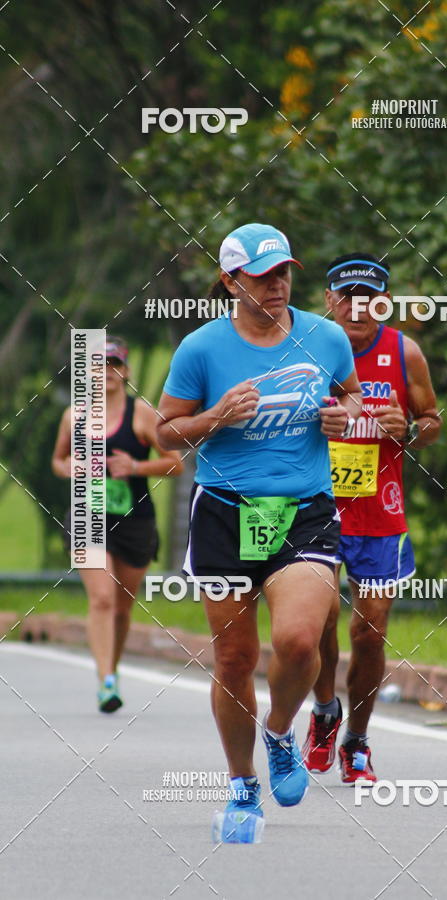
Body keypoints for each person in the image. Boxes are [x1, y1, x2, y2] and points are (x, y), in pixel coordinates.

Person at [156, 223, 362, 829]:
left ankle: (278, 734)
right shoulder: (200, 348)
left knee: (300, 641)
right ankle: (243, 785)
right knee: (234, 659)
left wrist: (342, 417)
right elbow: (165, 429)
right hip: (224, 513)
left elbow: (350, 397)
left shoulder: (325, 337)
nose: (276, 285)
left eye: (284, 273)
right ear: (230, 281)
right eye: (262, 276)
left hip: (303, 511)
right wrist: (216, 416)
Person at [302, 253, 441, 783]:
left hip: (379, 513)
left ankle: (356, 741)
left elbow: (432, 422)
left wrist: (408, 428)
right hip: (313, 507)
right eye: (346, 297)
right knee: (317, 622)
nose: (357, 308)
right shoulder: (304, 349)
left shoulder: (404, 352)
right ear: (328, 300)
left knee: (369, 633)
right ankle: (322, 712)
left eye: (369, 298)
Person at [52, 337, 183, 712]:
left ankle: (112, 666)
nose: (106, 373)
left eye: (113, 365)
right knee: (103, 598)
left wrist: (137, 467)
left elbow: (175, 463)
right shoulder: (73, 417)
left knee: (122, 607)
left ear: (124, 372)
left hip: (134, 520)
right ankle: (106, 681)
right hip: (86, 516)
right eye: (98, 366)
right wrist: (70, 469)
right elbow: (58, 461)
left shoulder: (141, 414)